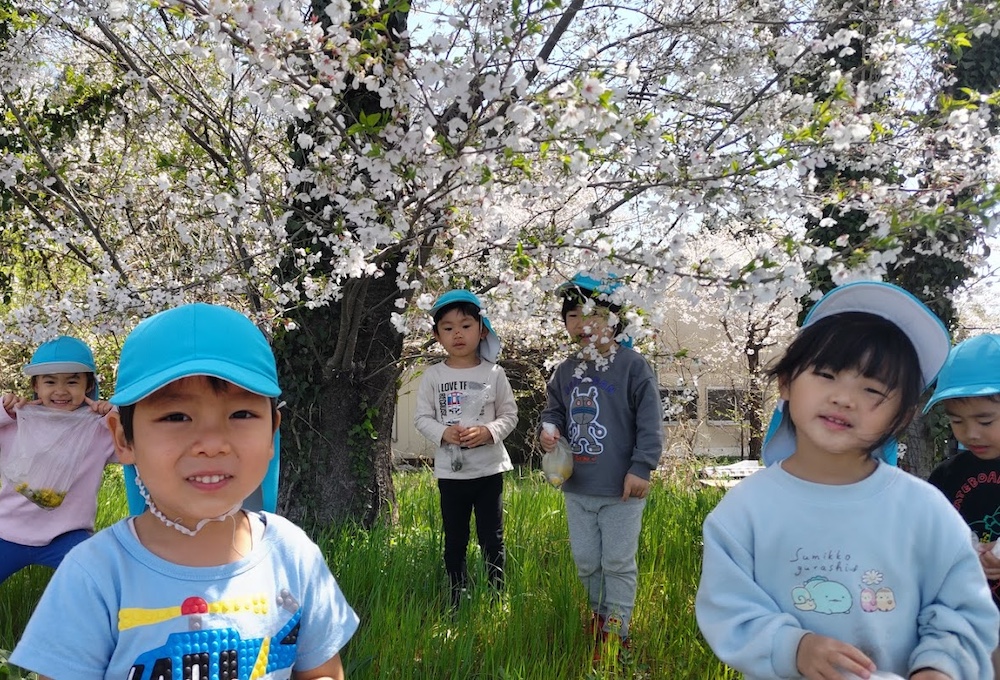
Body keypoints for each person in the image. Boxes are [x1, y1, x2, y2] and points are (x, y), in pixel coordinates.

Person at [10, 303, 359, 680]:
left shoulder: (294, 556)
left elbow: (322, 672)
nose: (212, 444)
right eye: (176, 417)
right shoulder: (94, 575)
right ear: (123, 439)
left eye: (241, 414)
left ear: (272, 431)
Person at [695, 281, 999, 680]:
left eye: (872, 389)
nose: (844, 398)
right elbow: (728, 607)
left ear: (903, 415)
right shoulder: (745, 510)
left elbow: (962, 607)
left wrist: (939, 667)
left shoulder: (924, 509)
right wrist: (792, 647)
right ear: (786, 381)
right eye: (826, 374)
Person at [538, 273, 663, 663]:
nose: (583, 323)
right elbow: (554, 410)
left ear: (615, 318)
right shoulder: (566, 370)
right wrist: (549, 429)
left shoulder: (632, 366)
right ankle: (599, 615)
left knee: (617, 562)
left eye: (593, 313)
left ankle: (617, 631)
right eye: (573, 315)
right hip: (577, 485)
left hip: (621, 489)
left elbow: (650, 423)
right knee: (587, 562)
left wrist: (642, 467)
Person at [414, 289, 518, 608]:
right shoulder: (433, 376)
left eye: (466, 326)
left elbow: (509, 415)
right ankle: (456, 598)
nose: (457, 334)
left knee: (492, 537)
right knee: (455, 539)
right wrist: (444, 433)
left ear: (482, 329)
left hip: (488, 471)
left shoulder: (494, 373)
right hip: (451, 474)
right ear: (437, 335)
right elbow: (422, 418)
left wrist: (488, 432)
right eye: (448, 328)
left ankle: (496, 597)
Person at [0, 335, 116, 586]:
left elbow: (136, 447)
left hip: (67, 535)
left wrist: (113, 417)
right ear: (36, 385)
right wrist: (4, 409)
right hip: (6, 531)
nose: (61, 391)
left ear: (88, 385)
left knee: (101, 582)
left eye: (72, 381)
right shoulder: (16, 421)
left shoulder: (98, 430)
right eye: (50, 381)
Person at [924, 333, 1000, 678]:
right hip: (966, 623)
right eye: (957, 421)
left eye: (985, 421)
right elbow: (928, 534)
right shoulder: (947, 476)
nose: (971, 433)